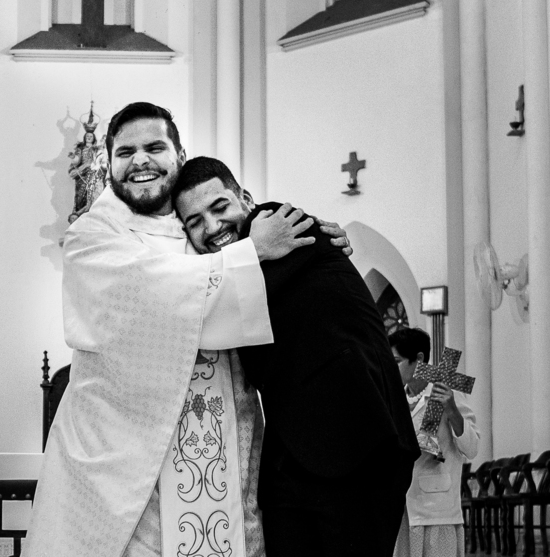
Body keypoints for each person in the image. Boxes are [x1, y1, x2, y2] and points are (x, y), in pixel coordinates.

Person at [24, 102, 351, 557]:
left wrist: (313, 238)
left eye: (155, 147)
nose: (140, 161)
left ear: (179, 155)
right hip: (125, 474)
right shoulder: (93, 235)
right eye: (126, 152)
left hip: (222, 456)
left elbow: (256, 245)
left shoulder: (196, 223)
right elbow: (146, 295)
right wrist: (252, 253)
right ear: (109, 164)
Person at [172, 156, 420, 557]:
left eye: (220, 208)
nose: (213, 227)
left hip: (358, 442)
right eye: (195, 221)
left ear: (245, 199)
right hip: (295, 455)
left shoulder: (283, 226)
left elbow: (216, 307)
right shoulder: (243, 259)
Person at [390, 327, 480, 557]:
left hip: (437, 509)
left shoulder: (446, 390)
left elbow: (472, 448)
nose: (391, 368)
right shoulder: (394, 397)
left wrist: (451, 409)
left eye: (397, 361)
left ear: (419, 359)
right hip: (402, 508)